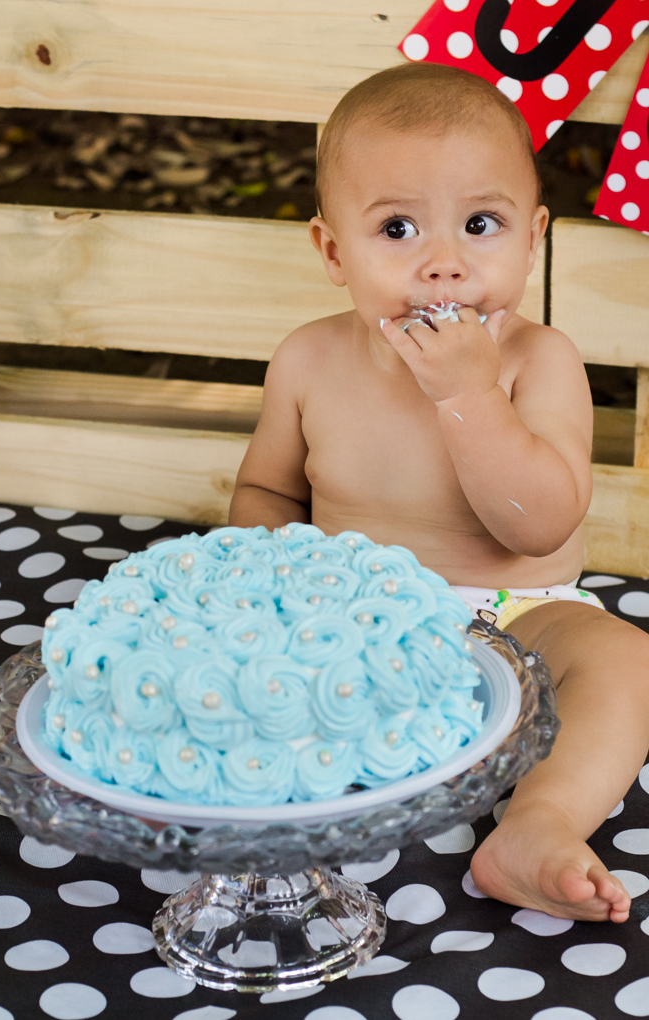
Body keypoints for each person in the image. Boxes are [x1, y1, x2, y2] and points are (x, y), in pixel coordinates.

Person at [228, 61, 649, 922]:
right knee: (235, 668)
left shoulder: (541, 362)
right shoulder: (309, 359)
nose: (445, 265)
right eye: (397, 229)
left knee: (626, 660)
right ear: (334, 251)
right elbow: (267, 488)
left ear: (532, 238)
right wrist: (274, 572)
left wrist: (469, 397)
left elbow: (539, 527)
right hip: (351, 614)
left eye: (481, 224)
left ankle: (539, 821)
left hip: (514, 616)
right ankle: (261, 804)